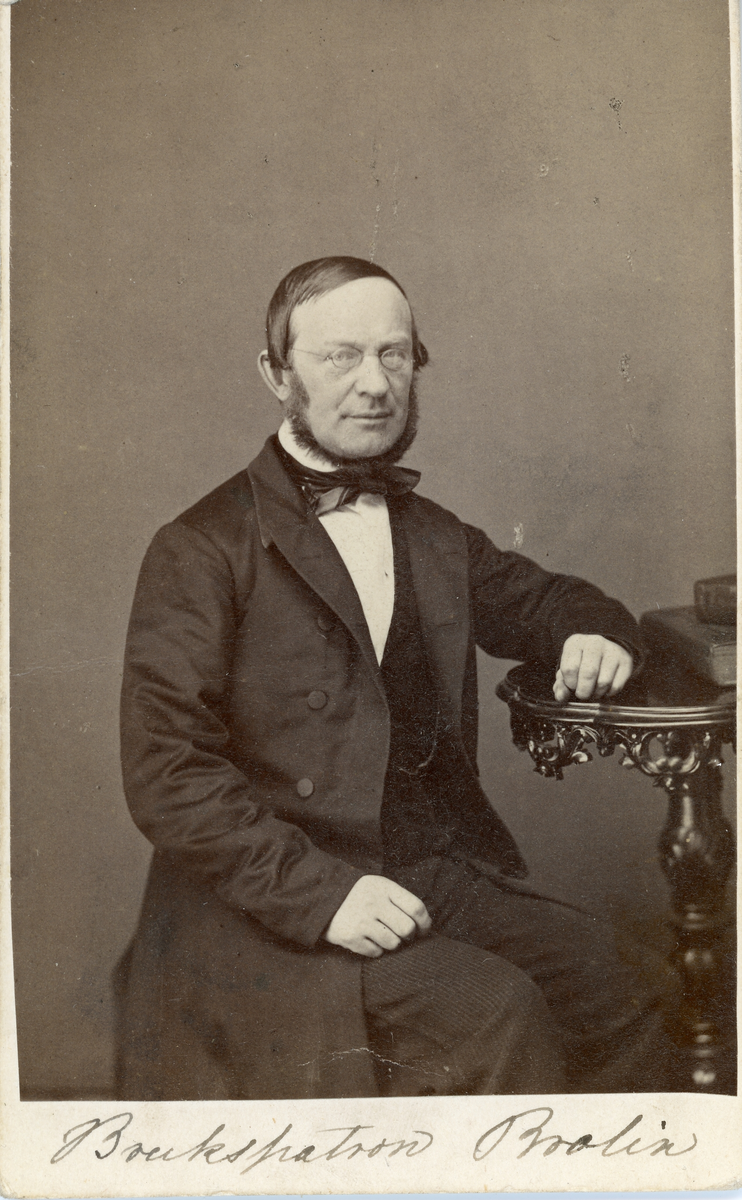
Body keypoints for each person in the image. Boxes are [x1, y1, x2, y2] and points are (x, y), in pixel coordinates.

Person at [116, 256, 678, 1100]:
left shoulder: (432, 535)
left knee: (618, 983)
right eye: (340, 356)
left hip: (421, 868)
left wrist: (594, 632)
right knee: (496, 1012)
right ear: (276, 374)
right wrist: (324, 897)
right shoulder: (200, 548)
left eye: (394, 354)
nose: (375, 384)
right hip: (265, 905)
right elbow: (168, 774)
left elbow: (552, 602)